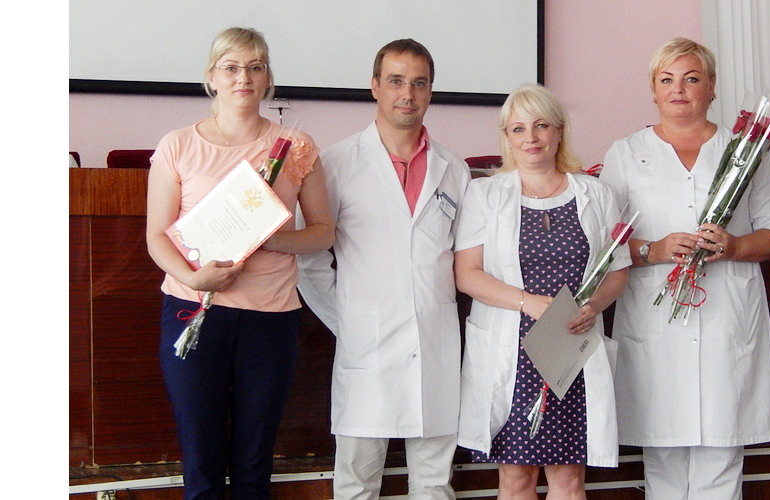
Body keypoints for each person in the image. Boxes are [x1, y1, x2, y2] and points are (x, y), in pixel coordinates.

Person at [598, 37, 770, 500]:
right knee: (663, 458)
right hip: (656, 321)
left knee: (722, 457)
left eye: (691, 78)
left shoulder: (745, 150)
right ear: (653, 89)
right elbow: (604, 243)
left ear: (711, 87)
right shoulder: (626, 152)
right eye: (667, 79)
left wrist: (735, 245)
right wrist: (654, 250)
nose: (679, 89)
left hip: (726, 316)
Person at [145, 27, 335, 499]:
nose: (243, 78)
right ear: (211, 77)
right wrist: (194, 278)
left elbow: (323, 232)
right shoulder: (177, 145)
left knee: (254, 462)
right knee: (201, 459)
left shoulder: (294, 146)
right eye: (231, 67)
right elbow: (156, 236)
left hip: (270, 317)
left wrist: (273, 240)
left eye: (255, 67)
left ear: (268, 77)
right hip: (192, 309)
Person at [295, 39, 470, 499]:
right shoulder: (336, 164)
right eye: (395, 81)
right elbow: (308, 259)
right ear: (375, 86)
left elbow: (462, 257)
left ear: (431, 91)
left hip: (434, 343)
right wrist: (348, 319)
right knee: (356, 482)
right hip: (365, 346)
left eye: (419, 83)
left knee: (434, 482)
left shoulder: (454, 169)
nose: (407, 93)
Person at [454, 84, 631, 499]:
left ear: (559, 131)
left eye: (541, 126)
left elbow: (618, 269)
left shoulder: (595, 193)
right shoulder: (485, 195)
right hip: (513, 352)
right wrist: (528, 303)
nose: (530, 138)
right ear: (506, 137)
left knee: (568, 478)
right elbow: (467, 275)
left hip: (571, 349)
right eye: (518, 129)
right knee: (516, 478)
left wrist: (593, 306)